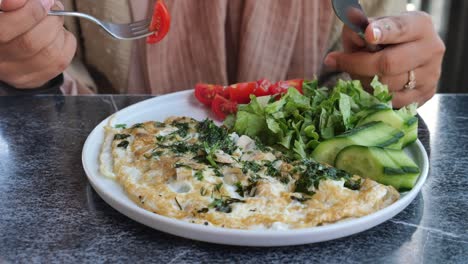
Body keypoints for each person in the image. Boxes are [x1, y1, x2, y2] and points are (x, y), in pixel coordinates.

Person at [0, 0, 445, 108]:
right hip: (108, 198)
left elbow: (372, 56)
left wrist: (396, 73)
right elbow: (47, 72)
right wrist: (28, 68)